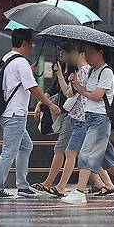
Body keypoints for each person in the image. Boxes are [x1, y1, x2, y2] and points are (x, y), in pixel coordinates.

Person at [61, 43, 114, 204]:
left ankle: (79, 192)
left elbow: (97, 95)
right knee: (108, 160)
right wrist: (76, 84)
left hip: (100, 119)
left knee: (86, 153)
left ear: (101, 53)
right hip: (91, 118)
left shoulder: (106, 72)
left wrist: (82, 91)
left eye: (90, 53)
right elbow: (86, 92)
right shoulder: (92, 71)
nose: (88, 56)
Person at [0, 29, 62, 199]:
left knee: (26, 146)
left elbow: (13, 80)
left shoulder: (8, 58)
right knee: (9, 151)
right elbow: (33, 88)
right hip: (15, 113)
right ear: (24, 43)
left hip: (6, 112)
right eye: (31, 43)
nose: (32, 46)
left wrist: (29, 70)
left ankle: (22, 185)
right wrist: (50, 104)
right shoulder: (20, 62)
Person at [31, 44, 78, 194]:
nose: (61, 55)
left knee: (60, 149)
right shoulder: (64, 70)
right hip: (66, 115)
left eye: (64, 52)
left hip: (72, 115)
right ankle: (105, 183)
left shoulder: (74, 72)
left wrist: (59, 75)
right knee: (84, 152)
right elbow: (52, 90)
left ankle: (50, 183)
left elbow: (68, 93)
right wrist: (40, 102)